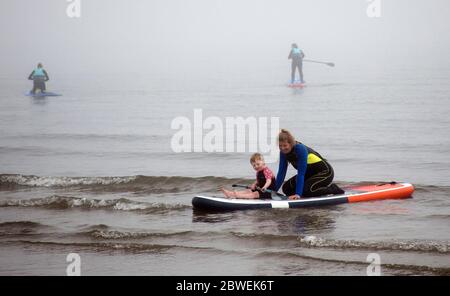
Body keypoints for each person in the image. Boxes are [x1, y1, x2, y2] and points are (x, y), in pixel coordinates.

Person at [275, 129, 344, 200]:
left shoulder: (300, 149)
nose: (282, 148)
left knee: (308, 190)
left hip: (325, 173)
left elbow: (301, 174)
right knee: (286, 188)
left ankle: (333, 188)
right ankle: (307, 192)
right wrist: (273, 192)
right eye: (280, 146)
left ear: (291, 143)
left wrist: (298, 194)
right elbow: (281, 173)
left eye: (285, 145)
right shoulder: (283, 152)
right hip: (309, 175)